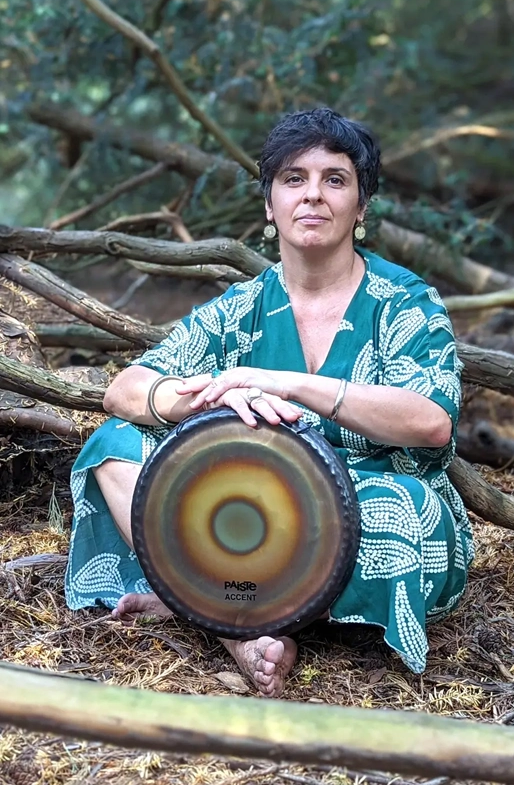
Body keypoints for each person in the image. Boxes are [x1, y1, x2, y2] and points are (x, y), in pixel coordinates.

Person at [65, 107, 474, 698]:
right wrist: (192, 404)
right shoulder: (241, 306)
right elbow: (123, 389)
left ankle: (204, 603)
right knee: (113, 445)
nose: (313, 195)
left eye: (335, 180)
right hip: (246, 510)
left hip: (361, 503)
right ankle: (240, 630)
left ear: (361, 208)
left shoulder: (404, 302)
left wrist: (289, 384)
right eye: (293, 179)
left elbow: (431, 422)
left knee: (401, 510)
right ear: (268, 204)